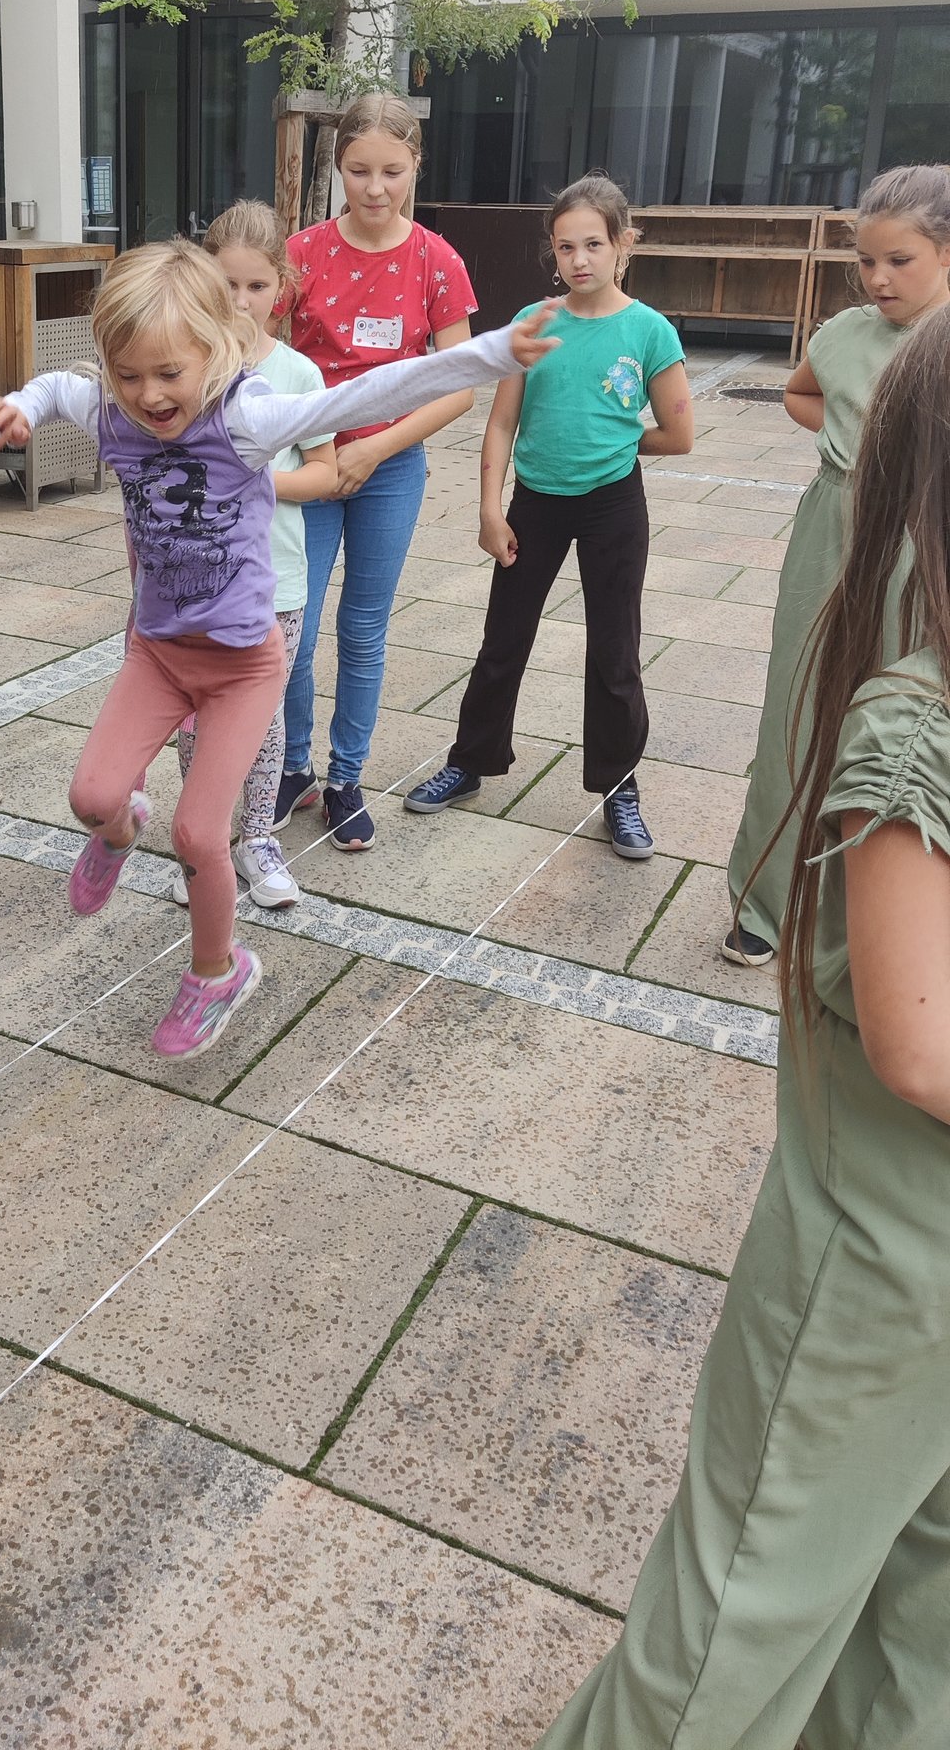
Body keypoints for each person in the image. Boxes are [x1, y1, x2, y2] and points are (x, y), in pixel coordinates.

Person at [535, 301, 950, 1750]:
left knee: (922, 1609)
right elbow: (917, 1041)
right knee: (740, 1616)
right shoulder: (918, 724)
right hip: (883, 1259)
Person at [0, 241, 559, 1059]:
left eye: (169, 373)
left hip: (242, 668)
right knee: (90, 796)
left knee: (197, 835)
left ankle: (216, 972)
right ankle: (117, 830)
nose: (150, 395)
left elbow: (370, 391)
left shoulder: (245, 419)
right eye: (129, 374)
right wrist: (21, 404)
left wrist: (492, 353)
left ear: (214, 350)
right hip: (157, 653)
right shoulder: (111, 409)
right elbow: (57, 386)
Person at [404, 175, 692, 857]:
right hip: (534, 502)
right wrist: (488, 509)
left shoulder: (649, 331)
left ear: (624, 243)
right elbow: (502, 423)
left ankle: (619, 787)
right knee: (503, 638)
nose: (580, 259)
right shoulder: (534, 323)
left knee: (615, 651)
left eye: (594, 244)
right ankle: (470, 761)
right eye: (566, 247)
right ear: (553, 251)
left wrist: (614, 442)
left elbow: (679, 435)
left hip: (613, 505)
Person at [723, 163, 950, 965]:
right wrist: (848, 436)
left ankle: (888, 914)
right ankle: (769, 898)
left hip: (926, 539)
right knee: (800, 702)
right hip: (833, 529)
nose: (879, 278)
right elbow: (802, 394)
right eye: (867, 261)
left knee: (904, 716)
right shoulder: (845, 334)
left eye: (900, 261)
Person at [278, 93, 479, 852]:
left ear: (415, 166)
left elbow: (459, 386)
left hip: (390, 467)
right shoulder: (300, 254)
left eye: (391, 172)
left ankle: (346, 777)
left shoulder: (436, 259)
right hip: (309, 463)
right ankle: (292, 767)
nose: (374, 188)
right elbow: (261, 354)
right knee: (293, 631)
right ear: (337, 167)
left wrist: (374, 449)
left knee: (363, 629)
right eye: (359, 170)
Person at [169, 199, 336, 910]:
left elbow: (325, 473)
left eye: (257, 286)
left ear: (282, 288)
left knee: (264, 717)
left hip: (275, 582)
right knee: (193, 715)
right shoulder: (182, 364)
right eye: (227, 284)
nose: (240, 301)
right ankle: (200, 843)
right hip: (193, 582)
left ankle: (258, 838)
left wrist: (254, 481)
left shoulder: (298, 374)